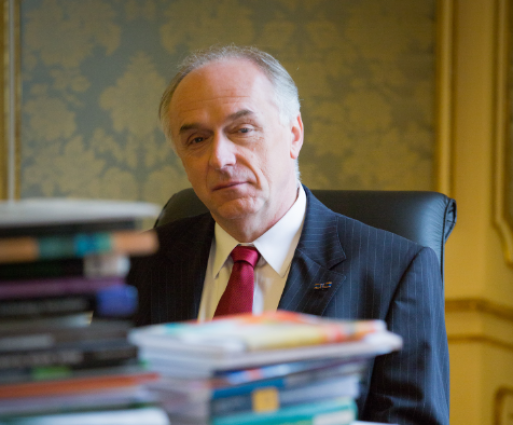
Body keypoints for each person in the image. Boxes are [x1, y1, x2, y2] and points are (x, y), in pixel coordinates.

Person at [127, 45, 449, 425]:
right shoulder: (143, 264)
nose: (220, 158)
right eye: (197, 140)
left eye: (242, 130)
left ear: (294, 134)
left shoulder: (397, 269)